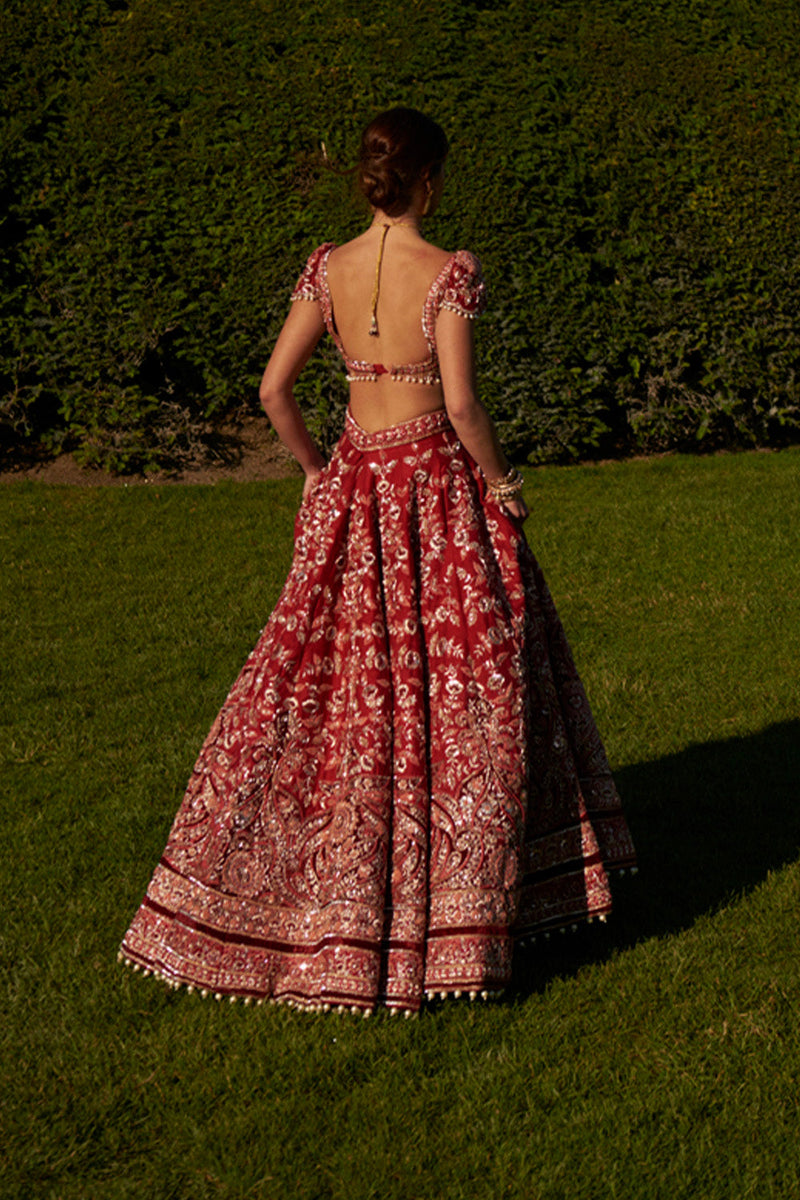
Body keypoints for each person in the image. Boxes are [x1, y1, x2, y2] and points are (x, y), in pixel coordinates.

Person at [120, 107, 636, 1017]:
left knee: (331, 683)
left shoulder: (327, 268)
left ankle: (313, 891)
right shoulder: (450, 274)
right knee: (470, 688)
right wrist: (505, 483)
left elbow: (274, 390)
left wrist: (321, 470)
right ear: (429, 178)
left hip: (357, 487)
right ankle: (465, 914)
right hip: (438, 491)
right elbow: (466, 407)